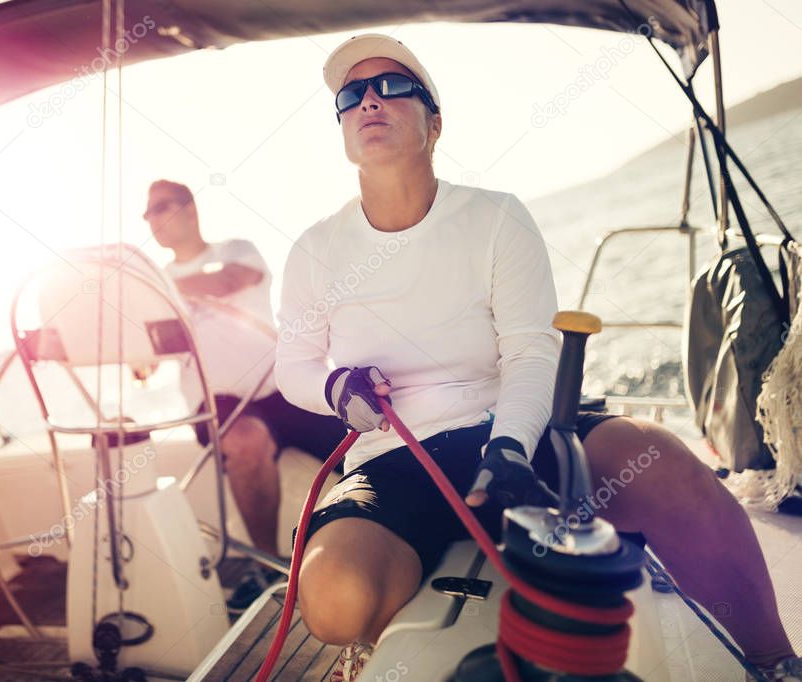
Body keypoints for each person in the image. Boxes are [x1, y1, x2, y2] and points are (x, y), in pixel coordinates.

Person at [274, 34, 800, 681]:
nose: (368, 102)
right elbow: (292, 365)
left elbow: (529, 351)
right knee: (331, 598)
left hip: (519, 433)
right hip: (391, 461)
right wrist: (332, 389)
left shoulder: (494, 216)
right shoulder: (313, 249)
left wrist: (509, 446)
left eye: (391, 86)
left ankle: (775, 664)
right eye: (351, 95)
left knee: (665, 467)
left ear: (433, 122)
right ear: (342, 129)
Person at [142, 180, 347, 580]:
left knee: (361, 437)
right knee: (246, 441)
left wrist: (152, 289)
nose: (151, 218)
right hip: (217, 405)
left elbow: (225, 282)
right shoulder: (153, 287)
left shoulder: (235, 251)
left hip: (281, 388)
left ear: (188, 209)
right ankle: (269, 568)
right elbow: (145, 359)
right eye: (147, 212)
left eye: (159, 207)